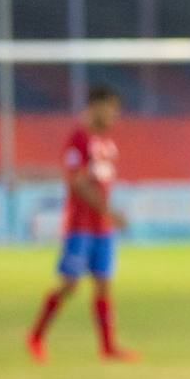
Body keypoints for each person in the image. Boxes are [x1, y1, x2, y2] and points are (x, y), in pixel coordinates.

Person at [27, 85, 135, 363]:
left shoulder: (106, 143)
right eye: (111, 108)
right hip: (80, 226)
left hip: (102, 227)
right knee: (70, 284)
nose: (115, 116)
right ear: (96, 106)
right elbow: (77, 183)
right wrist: (109, 210)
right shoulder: (78, 139)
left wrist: (107, 216)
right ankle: (36, 335)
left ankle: (108, 346)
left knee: (103, 284)